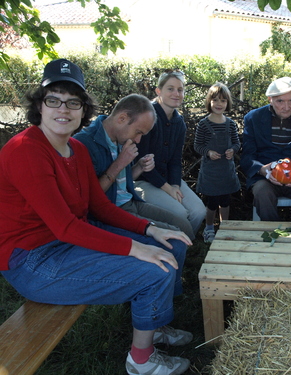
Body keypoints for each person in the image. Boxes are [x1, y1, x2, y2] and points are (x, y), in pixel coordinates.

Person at [0, 59, 193, 375]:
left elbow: (100, 208)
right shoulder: (25, 150)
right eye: (53, 100)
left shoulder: (74, 148)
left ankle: (154, 325)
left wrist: (149, 229)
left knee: (172, 245)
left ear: (82, 109)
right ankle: (140, 362)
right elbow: (64, 226)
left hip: (69, 240)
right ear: (40, 105)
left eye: (73, 101)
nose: (64, 109)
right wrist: (136, 248)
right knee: (154, 271)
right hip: (33, 260)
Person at [74, 94, 193, 237]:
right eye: (138, 132)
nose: (138, 140)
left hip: (130, 202)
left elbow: (123, 180)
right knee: (174, 235)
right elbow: (89, 200)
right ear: (122, 118)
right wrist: (119, 163)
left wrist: (139, 167)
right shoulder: (84, 143)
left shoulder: (120, 137)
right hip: (111, 211)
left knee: (184, 225)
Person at [135, 70, 205, 240]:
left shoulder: (179, 122)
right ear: (158, 91)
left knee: (199, 211)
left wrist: (175, 186)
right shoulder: (147, 116)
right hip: (144, 181)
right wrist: (166, 188)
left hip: (168, 179)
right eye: (170, 89)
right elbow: (142, 163)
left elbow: (175, 161)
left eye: (180, 90)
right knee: (180, 213)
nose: (176, 94)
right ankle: (174, 247)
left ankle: (184, 247)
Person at [241, 77, 291, 222]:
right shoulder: (253, 119)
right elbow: (247, 157)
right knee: (262, 193)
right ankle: (272, 234)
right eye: (280, 101)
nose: (287, 106)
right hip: (266, 177)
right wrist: (263, 170)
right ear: (270, 99)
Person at [194, 83, 240, 243]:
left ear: (227, 103)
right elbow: (197, 145)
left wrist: (232, 150)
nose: (219, 104)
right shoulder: (203, 124)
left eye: (223, 100)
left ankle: (225, 227)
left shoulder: (231, 124)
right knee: (212, 202)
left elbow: (237, 143)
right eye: (215, 100)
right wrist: (208, 152)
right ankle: (208, 228)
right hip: (211, 172)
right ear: (209, 102)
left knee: (225, 201)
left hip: (226, 171)